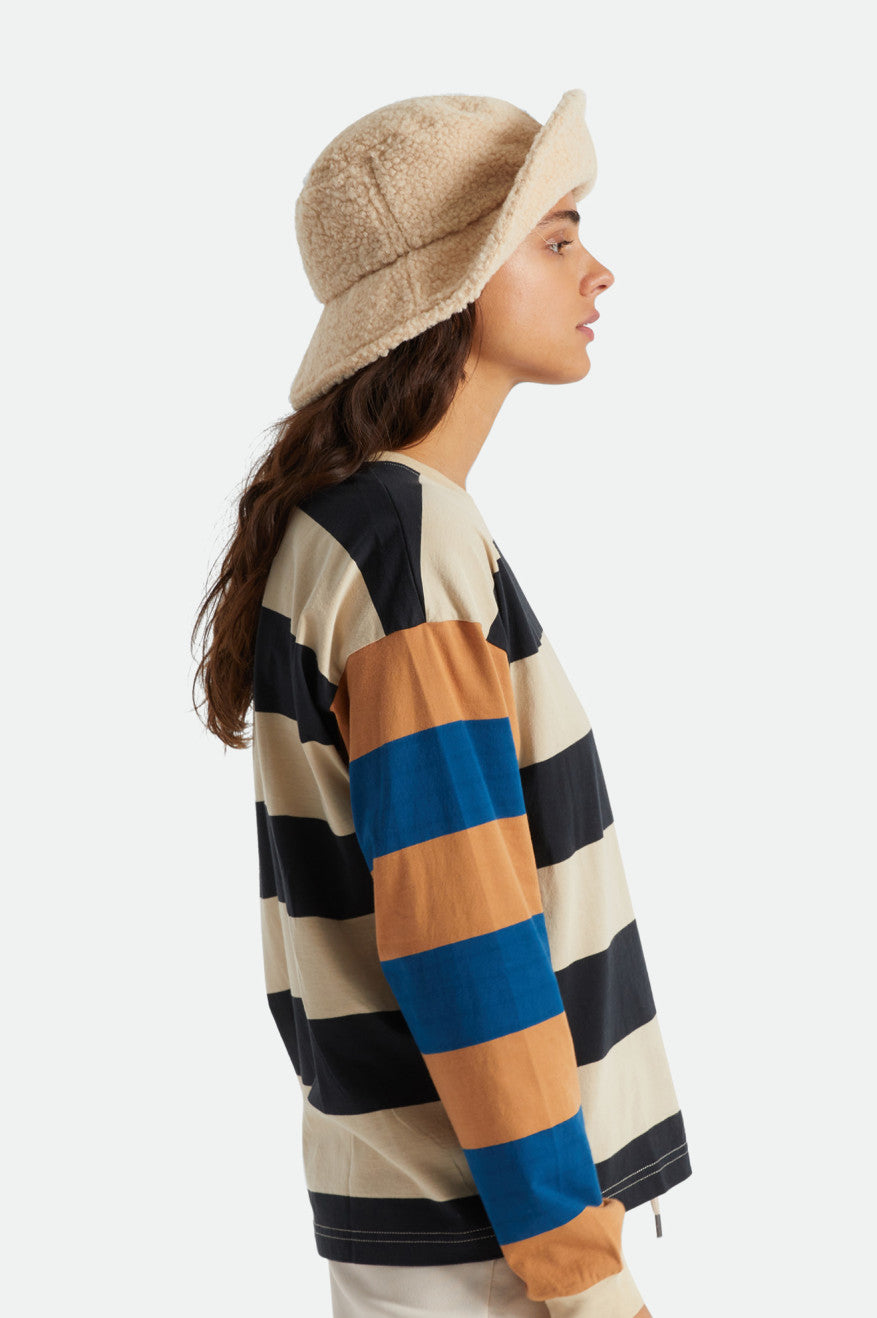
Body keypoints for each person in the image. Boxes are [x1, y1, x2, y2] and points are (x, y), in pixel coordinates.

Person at [192, 89, 692, 1318]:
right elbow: (464, 938)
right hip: (495, 1244)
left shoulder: (353, 526)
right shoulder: (405, 545)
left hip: (442, 1224)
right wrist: (579, 1269)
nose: (599, 271)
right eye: (557, 238)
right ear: (454, 286)